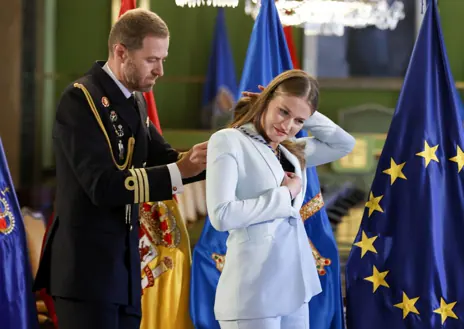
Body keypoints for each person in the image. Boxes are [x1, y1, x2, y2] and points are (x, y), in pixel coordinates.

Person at [34, 8, 206, 329]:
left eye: (163, 59)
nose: (161, 71)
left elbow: (166, 158)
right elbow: (102, 186)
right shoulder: (81, 99)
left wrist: (233, 145)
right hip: (87, 271)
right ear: (121, 53)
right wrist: (180, 170)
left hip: (126, 268)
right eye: (152, 59)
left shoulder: (134, 100)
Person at [206, 69, 356, 329]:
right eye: (283, 111)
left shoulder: (292, 149)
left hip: (294, 285)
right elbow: (222, 215)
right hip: (253, 289)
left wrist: (306, 112)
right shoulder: (229, 140)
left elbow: (344, 144)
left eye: (299, 121)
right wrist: (285, 194)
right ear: (266, 101)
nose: (287, 126)